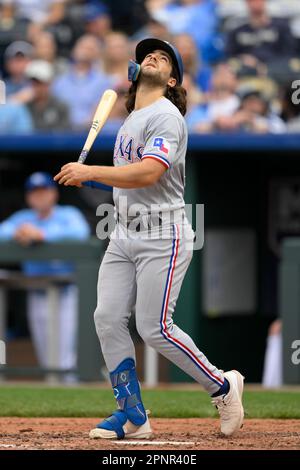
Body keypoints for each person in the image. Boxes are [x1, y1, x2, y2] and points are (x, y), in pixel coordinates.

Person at [54, 38, 244, 439]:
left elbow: (148, 172)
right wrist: (95, 177)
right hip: (122, 232)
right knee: (106, 318)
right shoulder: (130, 120)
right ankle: (133, 415)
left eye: (164, 57)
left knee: (155, 326)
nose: (154, 56)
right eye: (148, 55)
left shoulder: (167, 115)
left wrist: (89, 172)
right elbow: (129, 180)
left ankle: (223, 386)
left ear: (172, 78)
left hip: (164, 232)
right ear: (135, 70)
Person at [0, 172, 90, 381]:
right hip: (37, 293)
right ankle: (59, 403)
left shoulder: (67, 214)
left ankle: (71, 401)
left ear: (53, 193)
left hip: (65, 293)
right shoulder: (23, 219)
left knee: (65, 357)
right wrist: (19, 232)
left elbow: (81, 233)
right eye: (35, 193)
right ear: (28, 197)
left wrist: (42, 235)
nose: (40, 197)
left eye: (44, 191)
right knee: (46, 357)